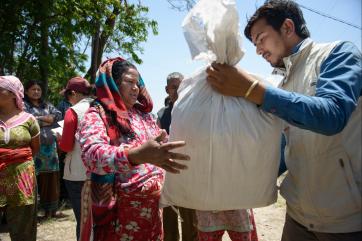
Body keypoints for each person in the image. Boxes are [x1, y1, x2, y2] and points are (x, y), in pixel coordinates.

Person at [206, 1, 362, 241]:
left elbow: (332, 115)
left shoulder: (338, 53)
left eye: (261, 39)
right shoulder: (282, 84)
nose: (258, 50)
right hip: (298, 216)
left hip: (346, 220)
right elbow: (284, 151)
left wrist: (251, 90)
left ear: (287, 27)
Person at [77, 57, 190, 241]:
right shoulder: (98, 114)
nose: (136, 88)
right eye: (129, 82)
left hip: (152, 213)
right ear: (113, 83)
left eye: (138, 83)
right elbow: (92, 155)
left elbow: (163, 146)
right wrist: (135, 155)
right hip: (119, 217)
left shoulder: (144, 116)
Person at [157, 72, 198, 241]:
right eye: (174, 87)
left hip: (189, 172)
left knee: (191, 220)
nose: (178, 90)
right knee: (169, 221)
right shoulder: (160, 115)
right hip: (167, 173)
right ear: (167, 89)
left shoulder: (194, 111)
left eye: (181, 86)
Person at [0, 76, 40, 241]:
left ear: (12, 94)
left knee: (23, 228)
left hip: (22, 179)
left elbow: (34, 149)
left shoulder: (29, 120)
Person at [57, 76, 93, 240]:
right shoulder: (100, 107)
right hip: (101, 170)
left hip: (77, 172)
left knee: (83, 219)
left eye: (68, 96)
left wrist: (59, 139)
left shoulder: (73, 112)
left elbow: (66, 146)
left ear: (73, 93)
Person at [23, 80, 63, 219]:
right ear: (26, 91)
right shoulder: (23, 105)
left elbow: (58, 116)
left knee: (51, 178)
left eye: (38, 89)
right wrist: (47, 119)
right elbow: (26, 121)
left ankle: (50, 210)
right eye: (33, 89)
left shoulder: (47, 105)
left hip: (50, 148)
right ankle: (32, 213)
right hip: (32, 147)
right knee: (31, 179)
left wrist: (39, 119)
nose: (36, 92)